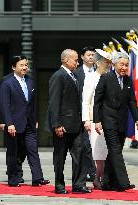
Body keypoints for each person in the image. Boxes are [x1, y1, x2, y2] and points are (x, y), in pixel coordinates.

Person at [93, 52, 138, 191]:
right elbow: (97, 101)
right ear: (114, 64)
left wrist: (137, 119)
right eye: (122, 64)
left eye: (126, 65)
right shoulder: (106, 77)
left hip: (122, 121)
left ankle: (107, 183)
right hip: (108, 120)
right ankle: (123, 182)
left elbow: (132, 101)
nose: (124, 67)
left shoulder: (128, 80)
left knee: (114, 152)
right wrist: (97, 121)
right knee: (115, 150)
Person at [45, 49, 91, 194]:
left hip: (76, 125)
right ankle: (59, 186)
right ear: (65, 60)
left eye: (78, 60)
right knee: (60, 157)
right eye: (75, 60)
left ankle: (78, 185)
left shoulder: (74, 76)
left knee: (80, 155)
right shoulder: (58, 76)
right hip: (63, 126)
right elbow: (54, 102)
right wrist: (57, 124)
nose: (77, 62)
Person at [0, 55, 49, 187]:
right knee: (13, 152)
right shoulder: (7, 83)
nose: (24, 67)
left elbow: (32, 104)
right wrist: (8, 123)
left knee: (32, 150)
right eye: (21, 65)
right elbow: (4, 104)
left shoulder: (30, 81)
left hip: (29, 123)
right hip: (14, 123)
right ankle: (13, 179)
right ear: (13, 67)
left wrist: (35, 119)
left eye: (26, 65)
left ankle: (38, 178)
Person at [82, 49, 111, 189]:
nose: (109, 65)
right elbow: (86, 101)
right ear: (99, 63)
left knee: (107, 151)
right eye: (107, 62)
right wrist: (86, 120)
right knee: (98, 152)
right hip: (95, 120)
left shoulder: (110, 77)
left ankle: (105, 177)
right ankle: (98, 178)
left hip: (109, 120)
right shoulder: (91, 78)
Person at [0, 73, 26, 183]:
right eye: (21, 64)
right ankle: (15, 172)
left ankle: (15, 168)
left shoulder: (27, 80)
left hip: (24, 120)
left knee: (23, 147)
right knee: (12, 149)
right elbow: (2, 102)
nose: (24, 67)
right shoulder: (6, 80)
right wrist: (2, 120)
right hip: (10, 120)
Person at [75, 46, 97, 182]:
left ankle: (96, 172)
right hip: (82, 115)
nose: (91, 57)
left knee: (97, 146)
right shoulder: (77, 74)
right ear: (82, 57)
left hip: (97, 114)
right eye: (88, 55)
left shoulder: (100, 72)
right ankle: (93, 173)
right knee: (86, 146)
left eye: (93, 55)